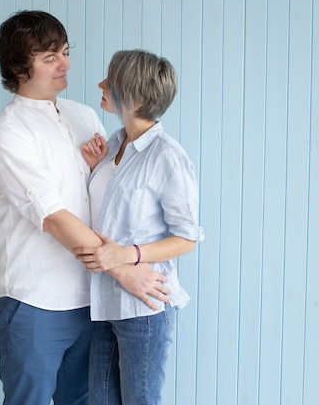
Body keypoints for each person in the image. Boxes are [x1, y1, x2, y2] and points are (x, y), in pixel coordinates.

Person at [0, 12, 170, 405]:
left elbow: (112, 198)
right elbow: (53, 216)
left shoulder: (84, 115)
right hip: (33, 300)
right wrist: (123, 269)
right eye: (50, 57)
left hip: (91, 301)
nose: (65, 64)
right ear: (19, 67)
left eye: (65, 52)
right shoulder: (8, 132)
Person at [75, 49, 205, 405]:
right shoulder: (113, 145)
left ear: (138, 98)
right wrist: (92, 169)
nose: (100, 84)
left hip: (143, 307)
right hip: (102, 301)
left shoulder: (168, 157)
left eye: (110, 80)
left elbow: (187, 238)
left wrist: (128, 255)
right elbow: (106, 213)